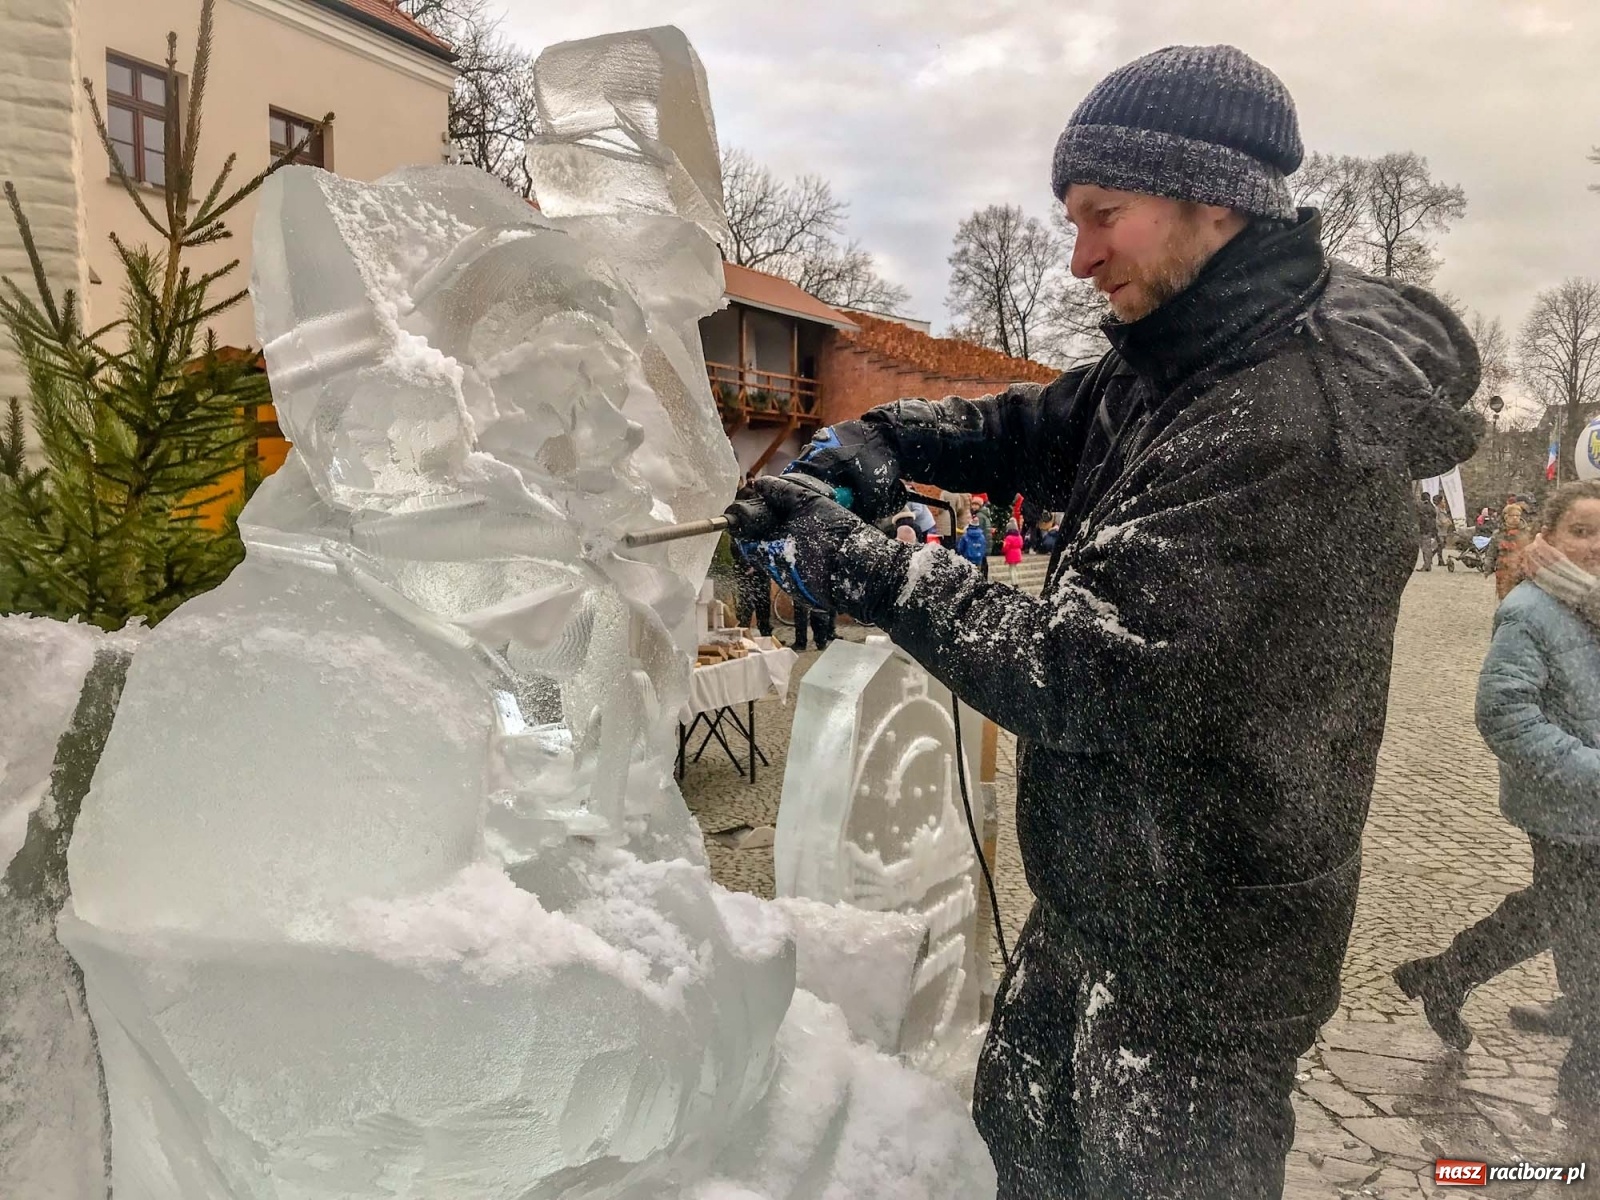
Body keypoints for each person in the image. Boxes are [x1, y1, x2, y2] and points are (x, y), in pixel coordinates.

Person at [742, 42, 1480, 1199]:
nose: (1079, 255)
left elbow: (1089, 670)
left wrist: (866, 566)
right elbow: (1042, 421)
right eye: (1070, 218)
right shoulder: (1183, 349)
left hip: (1203, 961)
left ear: (1214, 200)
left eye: (1104, 215)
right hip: (1100, 901)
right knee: (1017, 1161)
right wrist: (891, 438)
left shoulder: (1286, 420)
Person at [1393, 481, 1600, 1109]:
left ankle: (1445, 975)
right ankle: (1586, 1082)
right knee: (1584, 935)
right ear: (1550, 535)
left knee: (1555, 912)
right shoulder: (1532, 611)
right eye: (1582, 531)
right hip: (1566, 810)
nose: (1595, 546)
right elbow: (1505, 714)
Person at [1496, 492, 1529, 600]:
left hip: (1519, 570)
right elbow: (1492, 550)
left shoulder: (1525, 533)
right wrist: (1488, 564)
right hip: (1502, 570)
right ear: (1506, 517)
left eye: (1517, 516)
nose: (1515, 518)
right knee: (1504, 594)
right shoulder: (1499, 534)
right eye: (1512, 516)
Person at [1416, 489, 1439, 571]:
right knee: (1428, 547)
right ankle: (1428, 564)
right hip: (1430, 529)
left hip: (1424, 529)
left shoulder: (1422, 506)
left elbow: (1418, 516)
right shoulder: (1432, 507)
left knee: (1425, 548)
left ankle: (1426, 565)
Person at [1434, 494, 1454, 567]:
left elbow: (1446, 517)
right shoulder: (1436, 509)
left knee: (1442, 545)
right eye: (1443, 501)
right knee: (1440, 544)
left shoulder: (1444, 510)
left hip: (1445, 530)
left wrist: (1448, 521)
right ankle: (1440, 560)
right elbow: (1436, 519)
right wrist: (1441, 523)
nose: (1444, 503)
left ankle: (1431, 555)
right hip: (1439, 530)